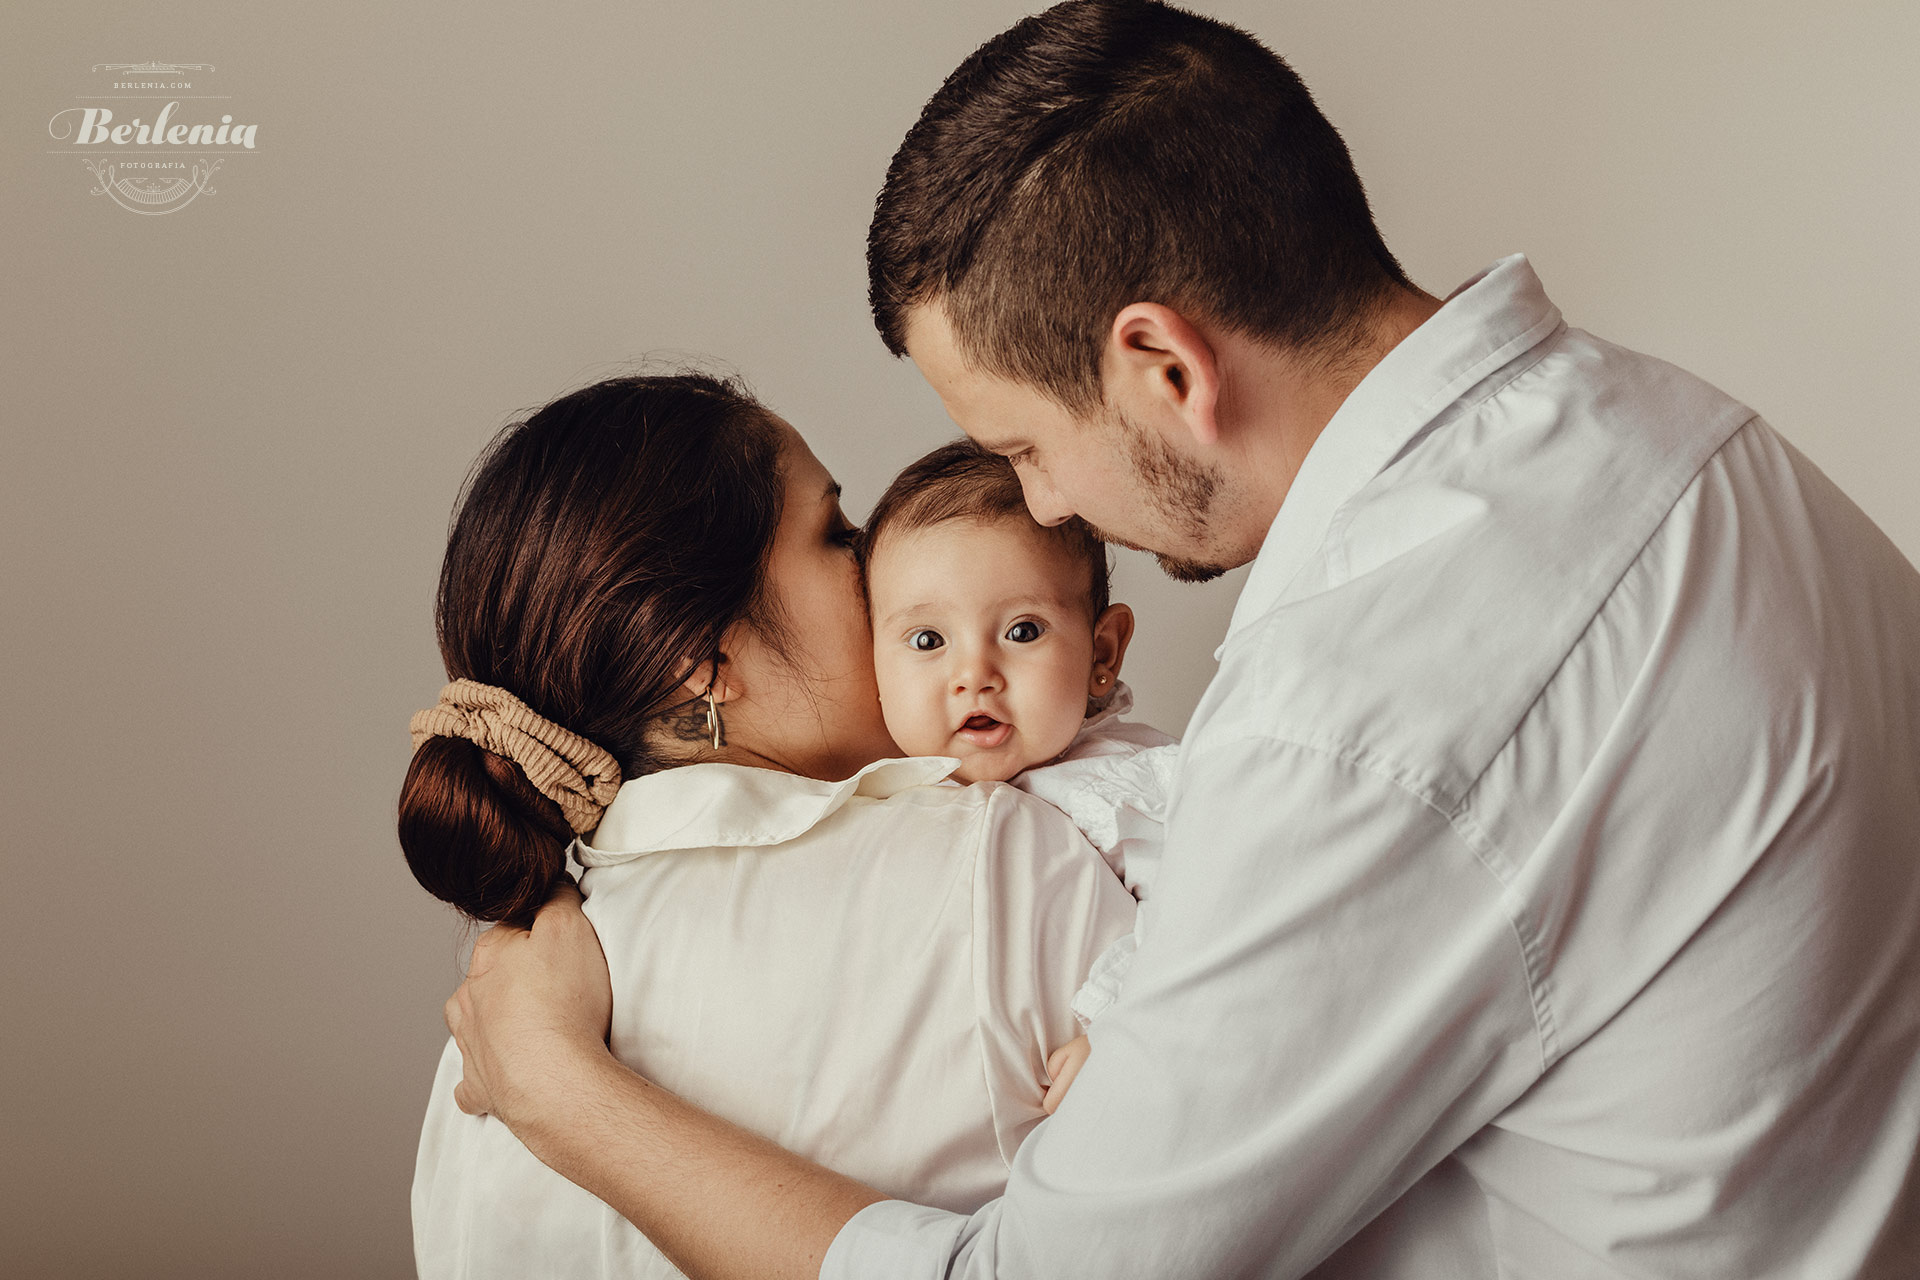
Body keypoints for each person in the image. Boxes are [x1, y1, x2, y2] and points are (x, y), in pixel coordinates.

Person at [438, 3, 1920, 1277]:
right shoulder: (1699, 439)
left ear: (1163, 368)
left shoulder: (1357, 719)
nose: (1031, 504)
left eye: (1020, 445)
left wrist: (564, 1090)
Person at [398, 373, 1133, 1278]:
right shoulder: (1008, 867)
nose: (883, 566)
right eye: (837, 534)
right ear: (703, 665)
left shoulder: (479, 1053)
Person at [861, 438, 1181, 1100]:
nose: (974, 674)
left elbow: (1209, 906)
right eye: (928, 641)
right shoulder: (885, 798)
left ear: (1102, 651)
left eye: (1023, 631)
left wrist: (1120, 1023)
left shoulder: (1129, 783)